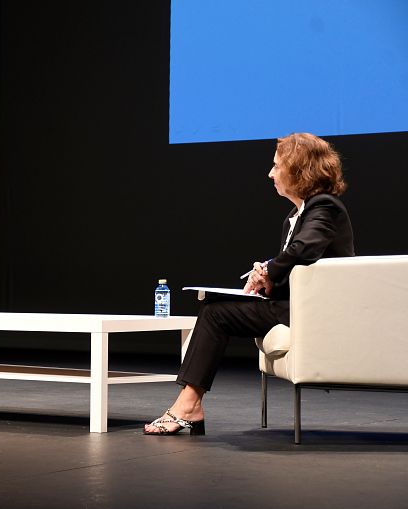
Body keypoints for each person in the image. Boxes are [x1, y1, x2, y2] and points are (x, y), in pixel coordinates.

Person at [143, 132, 354, 435]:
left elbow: (305, 249)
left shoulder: (325, 207)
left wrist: (269, 269)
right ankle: (189, 404)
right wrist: (270, 280)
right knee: (214, 307)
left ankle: (189, 406)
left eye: (277, 166)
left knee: (217, 314)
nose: (270, 174)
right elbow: (302, 264)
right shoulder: (297, 215)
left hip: (313, 312)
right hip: (290, 305)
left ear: (298, 170)